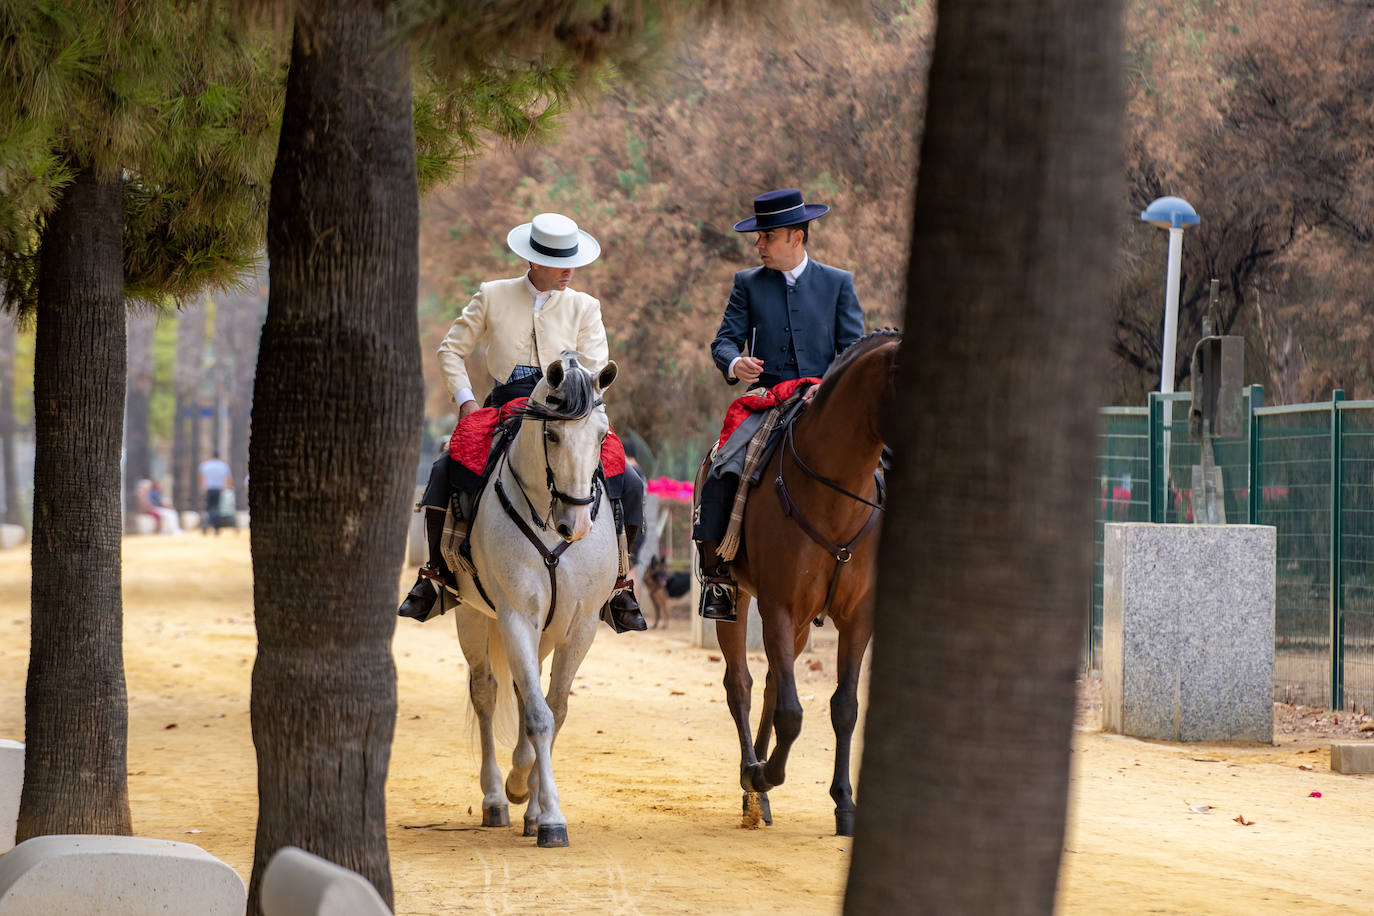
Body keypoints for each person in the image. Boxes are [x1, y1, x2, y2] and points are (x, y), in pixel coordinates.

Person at [397, 212, 648, 632]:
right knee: (445, 468)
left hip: (569, 411)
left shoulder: (585, 306)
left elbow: (597, 367)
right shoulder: (493, 295)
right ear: (533, 261)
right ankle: (437, 573)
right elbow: (450, 350)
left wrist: (582, 410)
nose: (570, 270)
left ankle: (620, 582)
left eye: (573, 259)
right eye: (559, 261)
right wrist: (466, 402)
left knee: (631, 480)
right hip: (505, 407)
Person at [694, 188, 865, 621]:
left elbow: (854, 351)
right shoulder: (747, 283)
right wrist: (736, 361)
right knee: (718, 465)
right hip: (768, 400)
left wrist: (825, 387)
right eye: (759, 238)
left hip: (826, 403)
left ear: (796, 237)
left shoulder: (838, 283)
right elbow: (724, 341)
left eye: (767, 236)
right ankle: (718, 577)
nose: (759, 245)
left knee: (881, 470)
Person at [198, 453, 232, 535]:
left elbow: (202, 478)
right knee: (217, 508)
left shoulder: (205, 465)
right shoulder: (223, 465)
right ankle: (216, 528)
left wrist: (203, 487)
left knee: (208, 508)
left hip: (208, 489)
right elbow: (228, 478)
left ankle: (206, 526)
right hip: (219, 489)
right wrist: (226, 486)